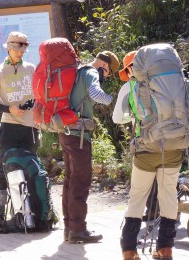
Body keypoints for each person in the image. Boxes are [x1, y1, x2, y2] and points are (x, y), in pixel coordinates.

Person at [113, 50, 180, 259]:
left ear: (132, 68)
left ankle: (129, 251)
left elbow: (117, 118)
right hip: (173, 146)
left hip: (146, 149)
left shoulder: (130, 86)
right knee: (168, 195)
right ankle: (165, 247)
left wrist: (133, 115)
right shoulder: (176, 82)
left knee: (138, 197)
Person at [62, 50, 119, 244]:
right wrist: (114, 100)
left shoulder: (78, 70)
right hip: (79, 135)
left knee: (70, 180)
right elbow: (96, 93)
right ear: (105, 66)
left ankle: (69, 227)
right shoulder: (92, 73)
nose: (107, 76)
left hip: (65, 131)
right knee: (80, 181)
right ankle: (78, 230)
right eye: (109, 73)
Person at [0, 31, 39, 165]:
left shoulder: (31, 68)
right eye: (16, 50)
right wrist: (9, 109)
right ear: (8, 48)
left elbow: (39, 96)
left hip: (30, 126)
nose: (20, 53)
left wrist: (39, 116)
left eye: (22, 50)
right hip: (9, 127)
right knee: (6, 166)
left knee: (30, 166)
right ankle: (3, 187)